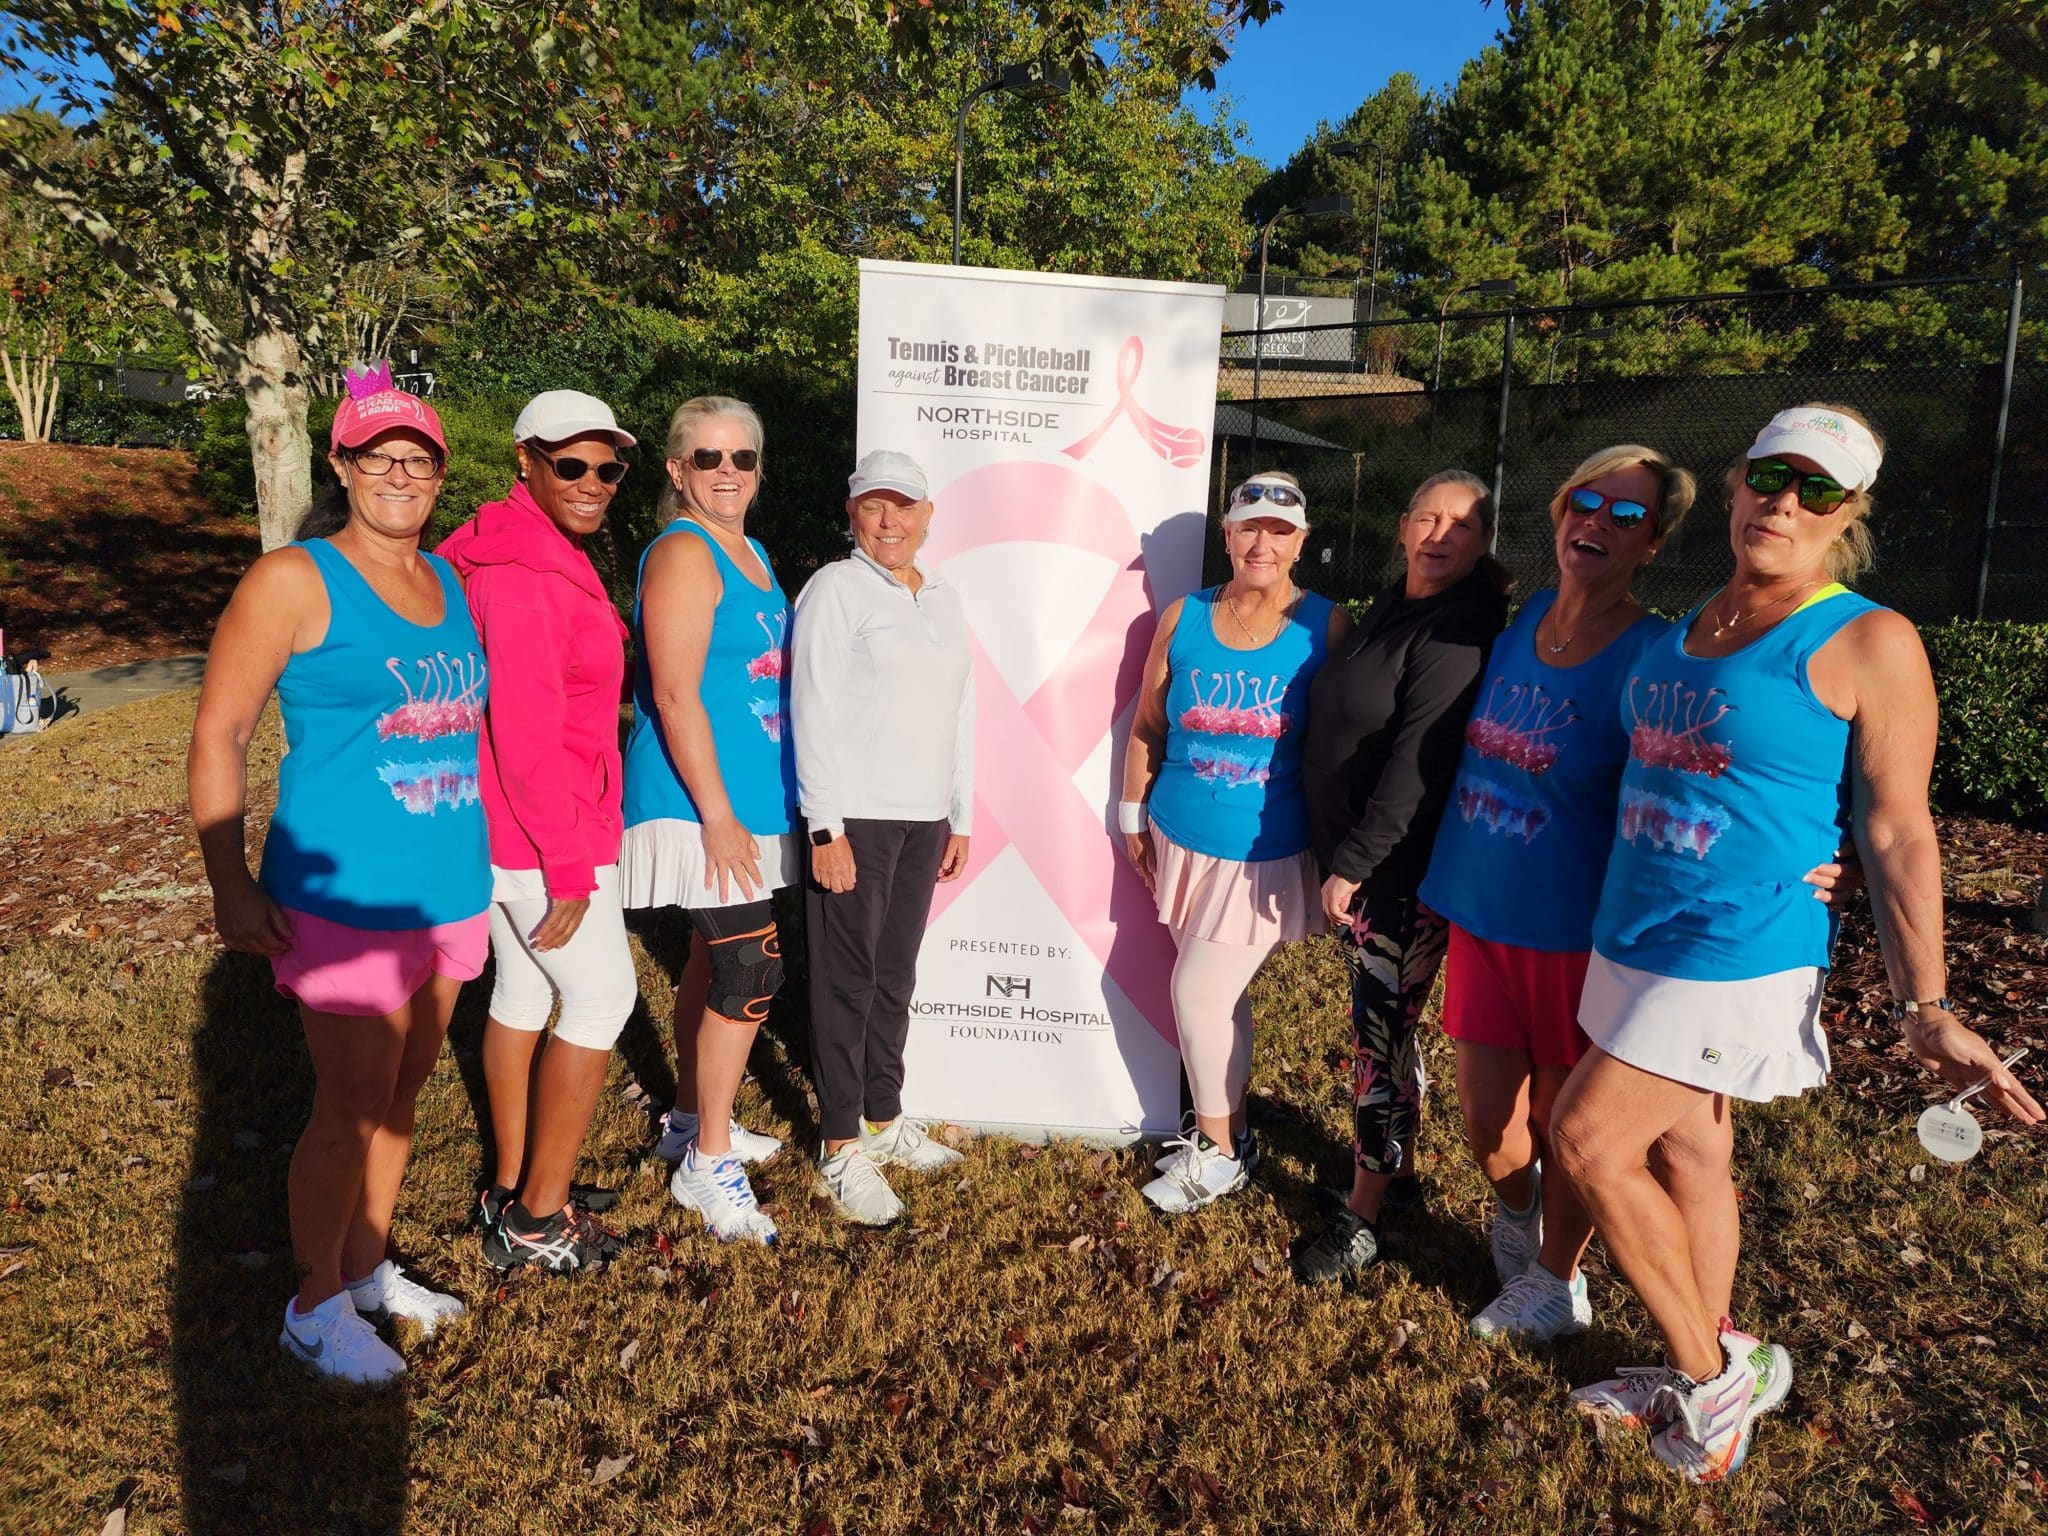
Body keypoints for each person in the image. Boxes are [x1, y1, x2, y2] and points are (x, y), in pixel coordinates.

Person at [1551, 404, 2045, 1481]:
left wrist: (1926, 1006)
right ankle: (1719, 1346)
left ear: (1846, 514)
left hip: (1739, 946)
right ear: (1735, 484)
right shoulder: (1694, 619)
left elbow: (1897, 827)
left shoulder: (1869, 639)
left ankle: (1709, 1387)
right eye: (1769, 476)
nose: (1783, 503)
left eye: (1816, 490)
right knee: (1688, 1152)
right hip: (1632, 930)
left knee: (1586, 1143)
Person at [189, 364, 486, 1385]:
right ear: (342, 465)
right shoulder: (293, 580)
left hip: (448, 883)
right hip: (346, 890)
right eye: (378, 456)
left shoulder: (445, 581)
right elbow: (221, 732)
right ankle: (311, 1306)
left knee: (403, 1091)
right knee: (351, 1099)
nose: (399, 474)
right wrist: (229, 883)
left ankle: (363, 1271)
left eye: (418, 459)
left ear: (439, 473)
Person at [1416, 446, 1695, 1336]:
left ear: (1653, 542)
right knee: (1488, 1123)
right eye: (1586, 501)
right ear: (1560, 510)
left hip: (1578, 933)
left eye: (1628, 515)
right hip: (1479, 910)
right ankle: (1518, 1220)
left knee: (1561, 1117)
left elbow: (1713, 767)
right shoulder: (1526, 614)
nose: (1598, 523)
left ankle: (1556, 1281)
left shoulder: (1656, 651)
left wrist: (1813, 857)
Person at [1290, 469, 1510, 1284]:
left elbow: (1419, 766)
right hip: (1370, 869)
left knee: (1377, 1045)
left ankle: (1364, 1217)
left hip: (1398, 878)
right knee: (1391, 1032)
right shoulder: (1396, 604)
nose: (1439, 534)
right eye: (1427, 517)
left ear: (1484, 541)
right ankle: (1400, 1176)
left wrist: (1354, 864)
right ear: (1403, 525)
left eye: (1461, 524)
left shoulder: (1459, 631)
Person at [438, 390, 638, 1274]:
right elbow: (524, 735)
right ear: (525, 460)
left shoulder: (521, 547)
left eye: (608, 468)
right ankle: (536, 1217)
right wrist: (567, 864)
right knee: (601, 1000)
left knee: (523, 992)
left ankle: (513, 1186)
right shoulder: (524, 573)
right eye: (571, 464)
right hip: (536, 830)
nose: (593, 482)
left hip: (507, 823)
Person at [1120, 471, 1346, 1212]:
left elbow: (1352, 740)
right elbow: (1148, 723)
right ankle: (1236, 1133)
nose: (1262, 543)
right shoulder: (1183, 616)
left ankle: (1216, 1153)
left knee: (1197, 993)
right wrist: (1131, 814)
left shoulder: (1326, 627)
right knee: (1222, 999)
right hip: (1178, 837)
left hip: (1263, 854)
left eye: (1280, 531)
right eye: (1249, 527)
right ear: (1227, 536)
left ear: (1301, 543)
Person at [621, 395, 797, 1245]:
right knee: (751, 969)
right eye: (708, 458)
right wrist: (719, 817)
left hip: (749, 796)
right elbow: (672, 693)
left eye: (742, 458)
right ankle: (708, 1163)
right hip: (699, 802)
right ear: (676, 469)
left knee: (710, 956)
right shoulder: (684, 552)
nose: (727, 472)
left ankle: (692, 1120)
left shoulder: (751, 551)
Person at [789, 449, 974, 1224]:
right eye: (874, 505)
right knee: (847, 979)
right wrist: (824, 825)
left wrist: (959, 813)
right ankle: (840, 1144)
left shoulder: (945, 597)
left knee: (894, 976)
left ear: (928, 516)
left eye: (904, 506)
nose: (889, 520)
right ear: (852, 513)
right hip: (856, 817)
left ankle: (883, 1117)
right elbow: (811, 705)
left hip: (924, 820)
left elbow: (960, 711)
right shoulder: (836, 588)